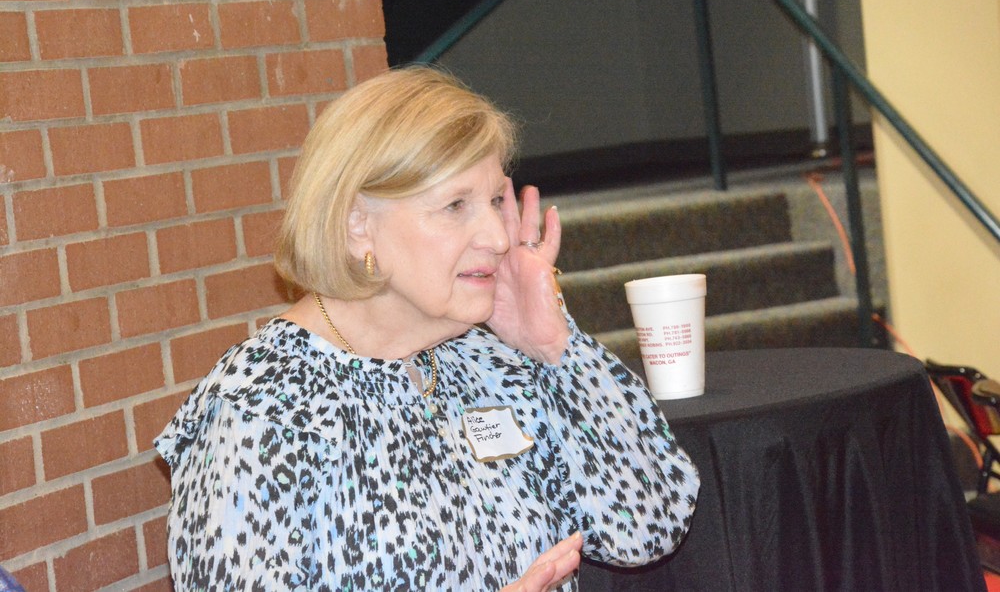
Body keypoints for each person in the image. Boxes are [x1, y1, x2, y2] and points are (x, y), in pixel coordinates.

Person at [155, 67, 699, 591]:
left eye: (494, 201)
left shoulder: (481, 360)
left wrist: (555, 347)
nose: (498, 237)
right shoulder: (264, 409)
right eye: (455, 205)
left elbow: (648, 527)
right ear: (357, 225)